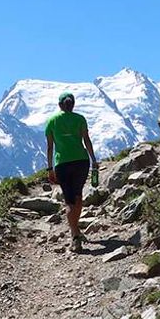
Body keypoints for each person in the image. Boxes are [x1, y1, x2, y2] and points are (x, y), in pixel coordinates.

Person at [45, 92, 98, 252]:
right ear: (72, 104)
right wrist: (94, 160)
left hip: (62, 164)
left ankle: (75, 235)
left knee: (69, 200)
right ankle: (77, 231)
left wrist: (49, 168)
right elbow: (86, 140)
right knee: (78, 195)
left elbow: (50, 147)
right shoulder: (80, 119)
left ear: (60, 105)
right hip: (81, 161)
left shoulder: (51, 121)